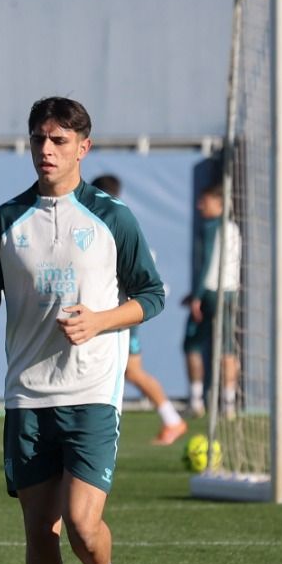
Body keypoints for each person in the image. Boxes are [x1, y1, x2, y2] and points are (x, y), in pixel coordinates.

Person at [0, 97, 164, 564]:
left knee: (80, 523)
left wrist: (99, 320)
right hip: (27, 396)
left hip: (93, 391)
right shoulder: (4, 220)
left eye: (59, 140)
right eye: (39, 139)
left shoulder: (110, 217)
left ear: (82, 148)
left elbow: (152, 294)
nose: (46, 150)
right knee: (38, 530)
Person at [89, 175, 186, 445]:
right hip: (115, 313)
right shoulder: (118, 222)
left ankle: (172, 420)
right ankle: (172, 420)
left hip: (118, 314)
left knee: (128, 371)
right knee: (127, 371)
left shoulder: (115, 225)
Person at [182, 183, 240, 417]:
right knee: (227, 347)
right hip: (231, 292)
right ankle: (229, 405)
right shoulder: (234, 228)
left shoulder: (211, 227)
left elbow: (207, 262)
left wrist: (196, 297)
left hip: (211, 293)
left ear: (219, 204)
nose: (199, 206)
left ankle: (196, 401)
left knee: (192, 345)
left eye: (204, 202)